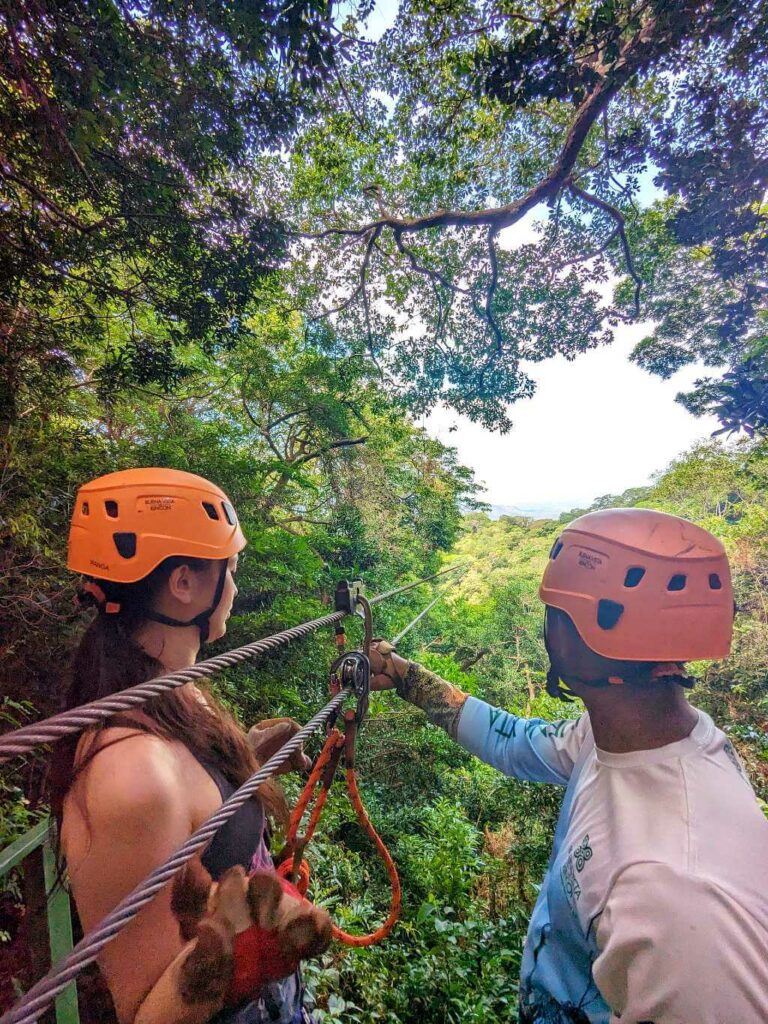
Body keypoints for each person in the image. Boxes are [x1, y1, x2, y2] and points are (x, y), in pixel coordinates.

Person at [370, 508, 768, 1024]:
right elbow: (513, 743)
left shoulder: (677, 897)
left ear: (581, 635)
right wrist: (404, 676)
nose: (547, 628)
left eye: (554, 613)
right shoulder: (625, 735)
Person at [49, 468, 330, 1024]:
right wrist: (233, 951)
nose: (235, 584)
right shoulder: (132, 777)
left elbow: (195, 810)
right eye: (229, 568)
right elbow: (144, 1012)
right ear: (183, 584)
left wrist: (246, 757)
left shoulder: (174, 696)